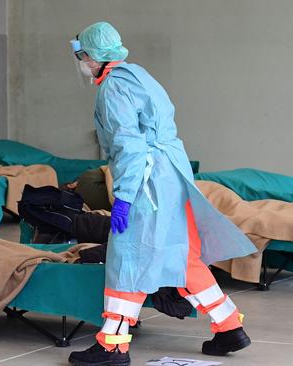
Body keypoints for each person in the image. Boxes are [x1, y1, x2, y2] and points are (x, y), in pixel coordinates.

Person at [67, 22, 256, 366]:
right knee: (183, 256)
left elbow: (130, 147)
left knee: (129, 258)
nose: (81, 61)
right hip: (173, 177)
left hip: (148, 183)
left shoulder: (113, 89)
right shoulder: (138, 74)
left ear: (94, 56)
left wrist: (123, 196)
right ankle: (229, 326)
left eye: (82, 54)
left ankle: (112, 346)